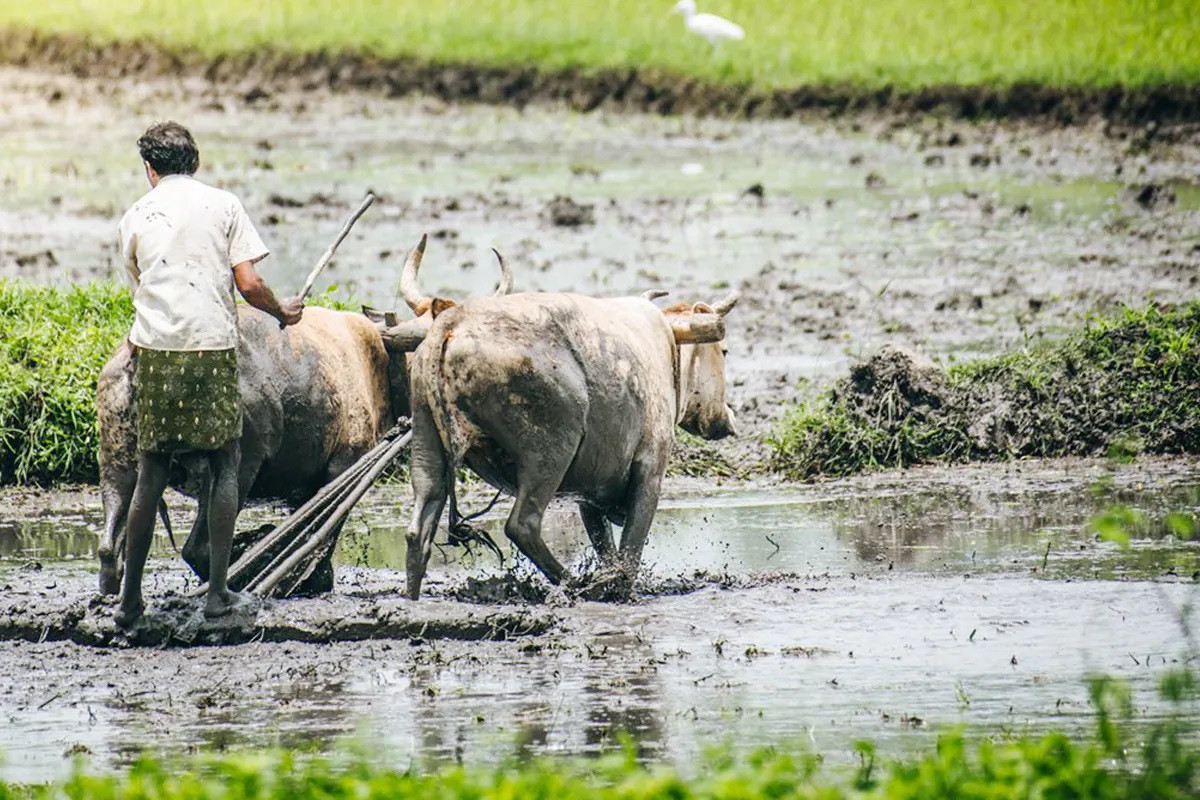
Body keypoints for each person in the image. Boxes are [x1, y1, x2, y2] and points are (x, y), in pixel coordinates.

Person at [114, 121, 304, 627]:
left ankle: (129, 601)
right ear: (194, 162)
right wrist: (282, 312)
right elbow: (248, 282)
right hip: (210, 349)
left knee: (151, 472)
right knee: (225, 464)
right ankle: (218, 594)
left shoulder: (135, 215)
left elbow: (141, 287)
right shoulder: (224, 205)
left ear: (150, 169)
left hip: (156, 351)